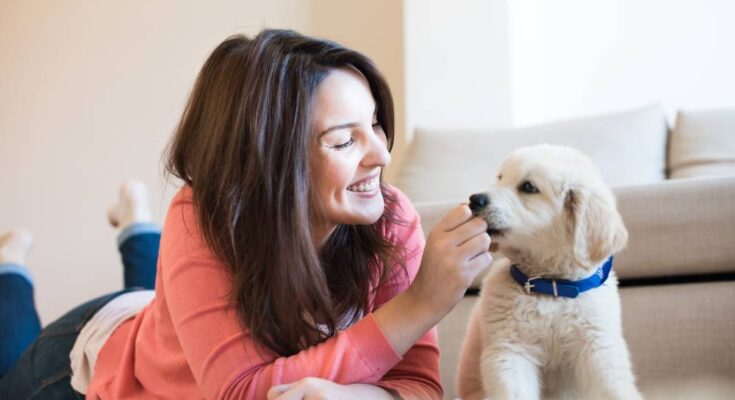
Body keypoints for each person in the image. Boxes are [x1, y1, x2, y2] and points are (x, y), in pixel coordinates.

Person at [0, 29, 492, 399]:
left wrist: (340, 394)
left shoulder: (390, 218)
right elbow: (239, 392)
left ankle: (135, 224)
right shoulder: (205, 213)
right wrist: (420, 303)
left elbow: (420, 388)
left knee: (158, 296)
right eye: (344, 140)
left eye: (376, 126)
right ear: (271, 159)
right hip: (85, 363)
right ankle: (13, 264)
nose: (382, 156)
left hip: (168, 318)